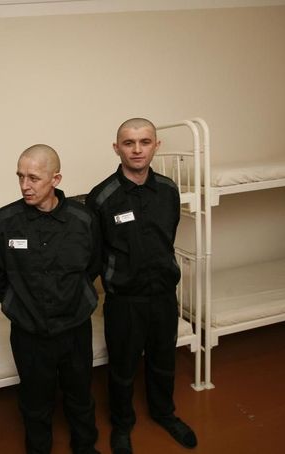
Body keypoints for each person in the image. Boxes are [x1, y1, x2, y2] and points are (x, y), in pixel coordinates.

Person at [86, 118, 197, 453]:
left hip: (163, 295)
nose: (137, 149)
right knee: (122, 367)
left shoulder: (168, 190)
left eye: (144, 142)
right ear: (116, 147)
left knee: (164, 360)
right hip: (125, 300)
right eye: (129, 143)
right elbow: (94, 254)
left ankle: (165, 413)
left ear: (156, 146)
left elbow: (168, 236)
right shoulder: (102, 197)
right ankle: (122, 425)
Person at [0, 144, 101, 454]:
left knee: (80, 396)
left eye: (33, 178)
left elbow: (93, 266)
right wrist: (16, 305)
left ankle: (85, 447)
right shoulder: (5, 221)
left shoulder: (83, 219)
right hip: (29, 333)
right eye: (20, 176)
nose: (24, 185)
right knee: (35, 402)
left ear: (56, 179)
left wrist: (74, 299)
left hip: (75, 328)